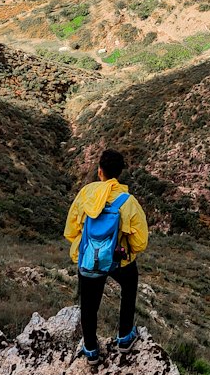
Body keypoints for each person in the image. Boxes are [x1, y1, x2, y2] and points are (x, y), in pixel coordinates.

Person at [64, 149, 149, 364]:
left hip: (89, 258)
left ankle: (91, 349)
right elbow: (140, 241)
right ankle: (124, 337)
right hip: (117, 260)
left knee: (88, 302)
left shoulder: (85, 194)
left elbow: (71, 230)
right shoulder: (128, 201)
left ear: (99, 171)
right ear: (119, 173)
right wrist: (123, 250)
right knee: (129, 286)